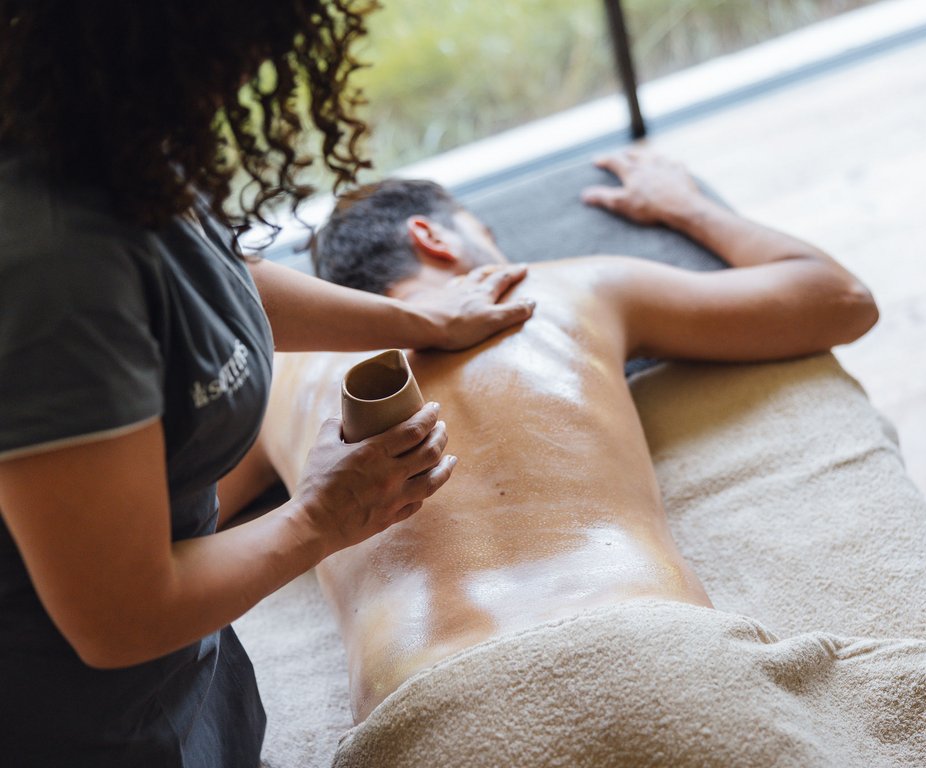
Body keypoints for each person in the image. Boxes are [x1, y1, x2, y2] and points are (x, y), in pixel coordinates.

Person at [0, 3, 534, 766]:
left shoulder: (93, 118)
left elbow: (206, 281)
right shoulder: (50, 269)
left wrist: (416, 322)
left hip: (182, 678)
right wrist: (324, 514)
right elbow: (118, 617)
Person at [218, 148, 880, 723]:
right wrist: (684, 207)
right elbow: (840, 298)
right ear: (434, 237)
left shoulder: (282, 378)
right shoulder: (558, 286)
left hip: (428, 700)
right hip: (649, 645)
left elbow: (164, 531)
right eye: (488, 234)